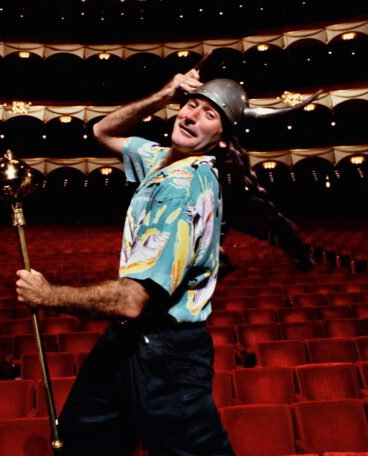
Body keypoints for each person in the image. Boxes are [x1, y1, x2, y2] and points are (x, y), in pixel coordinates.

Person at [15, 68, 313, 455]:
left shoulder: (181, 187)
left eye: (209, 115)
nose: (191, 116)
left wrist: (48, 295)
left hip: (167, 355)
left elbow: (131, 300)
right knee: (80, 443)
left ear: (222, 140)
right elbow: (102, 131)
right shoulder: (160, 159)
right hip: (128, 340)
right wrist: (165, 93)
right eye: (191, 105)